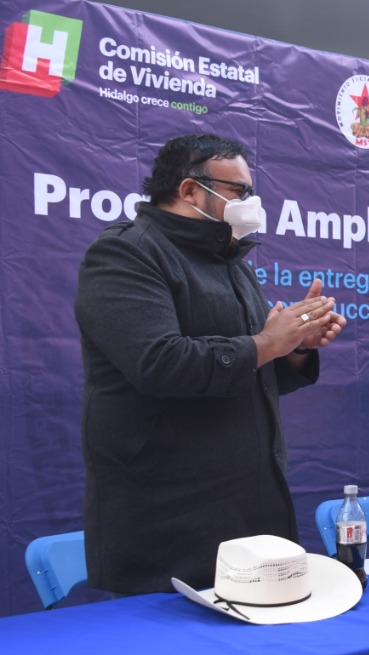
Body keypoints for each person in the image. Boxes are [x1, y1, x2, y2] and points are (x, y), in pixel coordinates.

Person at [76, 133, 346, 595]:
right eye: (239, 190)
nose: (250, 203)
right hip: (166, 523)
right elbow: (159, 363)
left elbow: (251, 371)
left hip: (250, 513)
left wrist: (294, 347)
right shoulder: (127, 253)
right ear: (189, 190)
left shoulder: (232, 262)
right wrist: (266, 342)